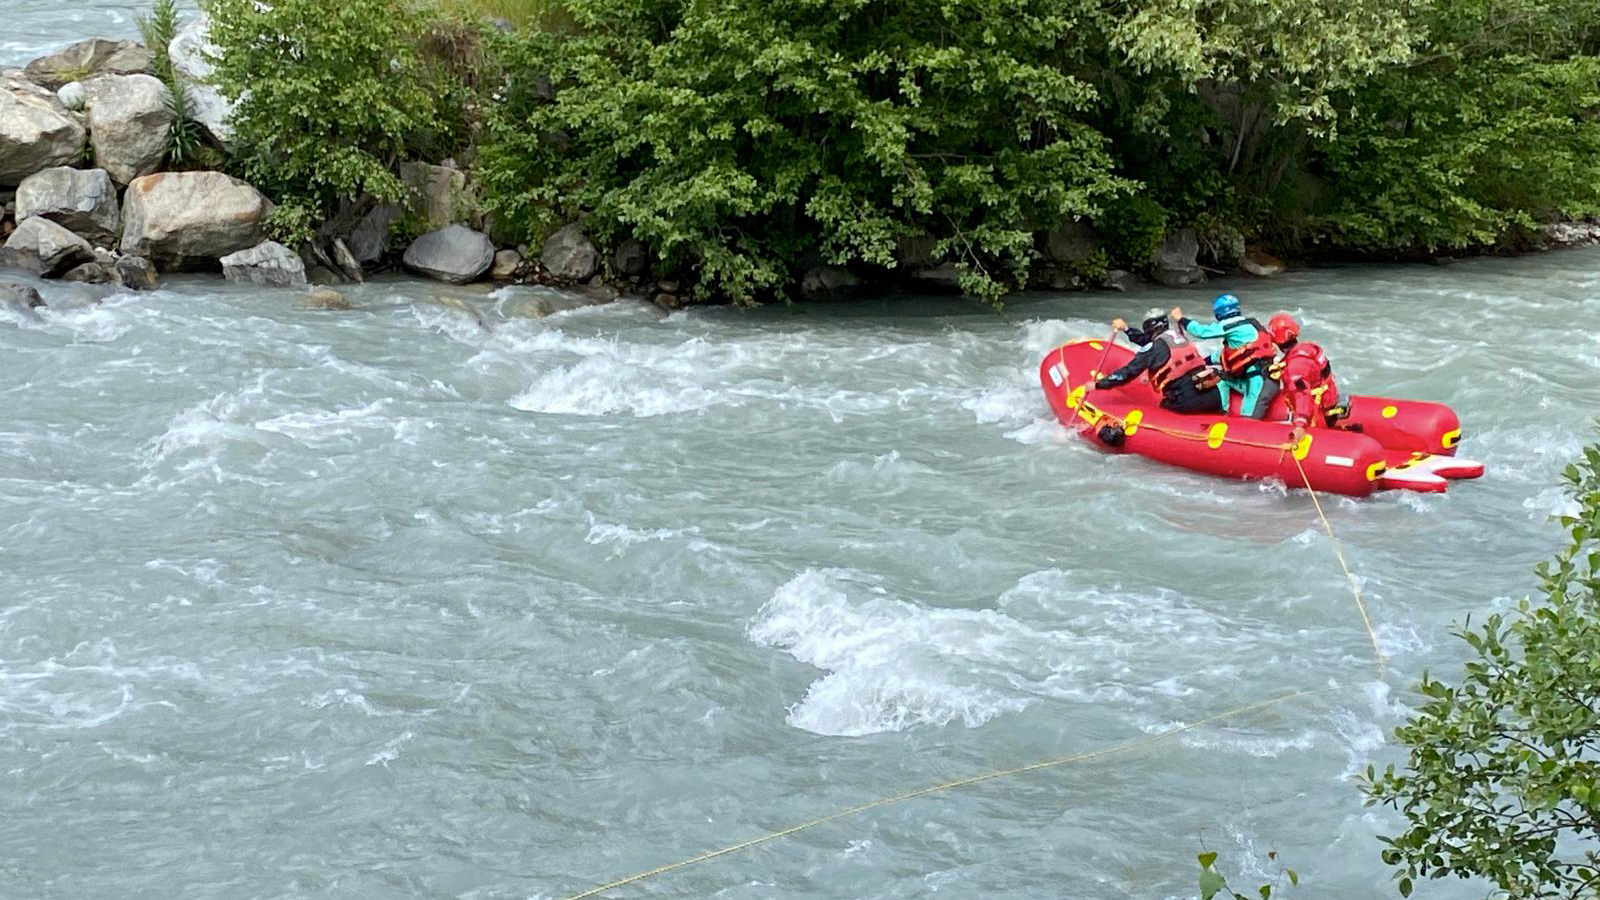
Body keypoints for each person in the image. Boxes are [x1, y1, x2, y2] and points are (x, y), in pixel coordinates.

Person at [1170, 294, 1279, 419]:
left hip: (1257, 379)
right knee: (1221, 379)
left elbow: (1201, 332)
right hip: (1261, 375)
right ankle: (1223, 414)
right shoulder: (1248, 324)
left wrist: (1181, 319)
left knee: (1248, 416)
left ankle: (1229, 417)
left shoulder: (1230, 325)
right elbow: (1226, 355)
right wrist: (1204, 361)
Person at [1093, 314, 1222, 413]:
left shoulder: (1154, 348)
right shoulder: (1178, 337)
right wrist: (1126, 329)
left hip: (1185, 401)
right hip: (1213, 396)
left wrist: (1097, 385)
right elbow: (1150, 342)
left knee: (1163, 407)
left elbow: (1127, 373)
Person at [1267, 313, 1348, 442]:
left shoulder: (1295, 366)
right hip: (1329, 403)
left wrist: (1300, 424)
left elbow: (1301, 393)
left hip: (1317, 413)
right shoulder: (1309, 349)